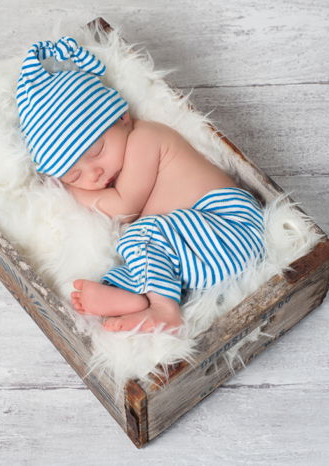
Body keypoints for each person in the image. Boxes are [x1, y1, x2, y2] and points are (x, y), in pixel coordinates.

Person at [17, 36, 265, 334]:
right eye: (73, 175)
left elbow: (125, 207)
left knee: (138, 235)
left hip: (229, 227)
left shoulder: (145, 139)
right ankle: (134, 299)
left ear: (121, 117)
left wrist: (72, 189)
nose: (93, 174)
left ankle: (164, 310)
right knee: (133, 263)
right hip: (198, 257)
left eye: (96, 151)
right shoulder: (116, 163)